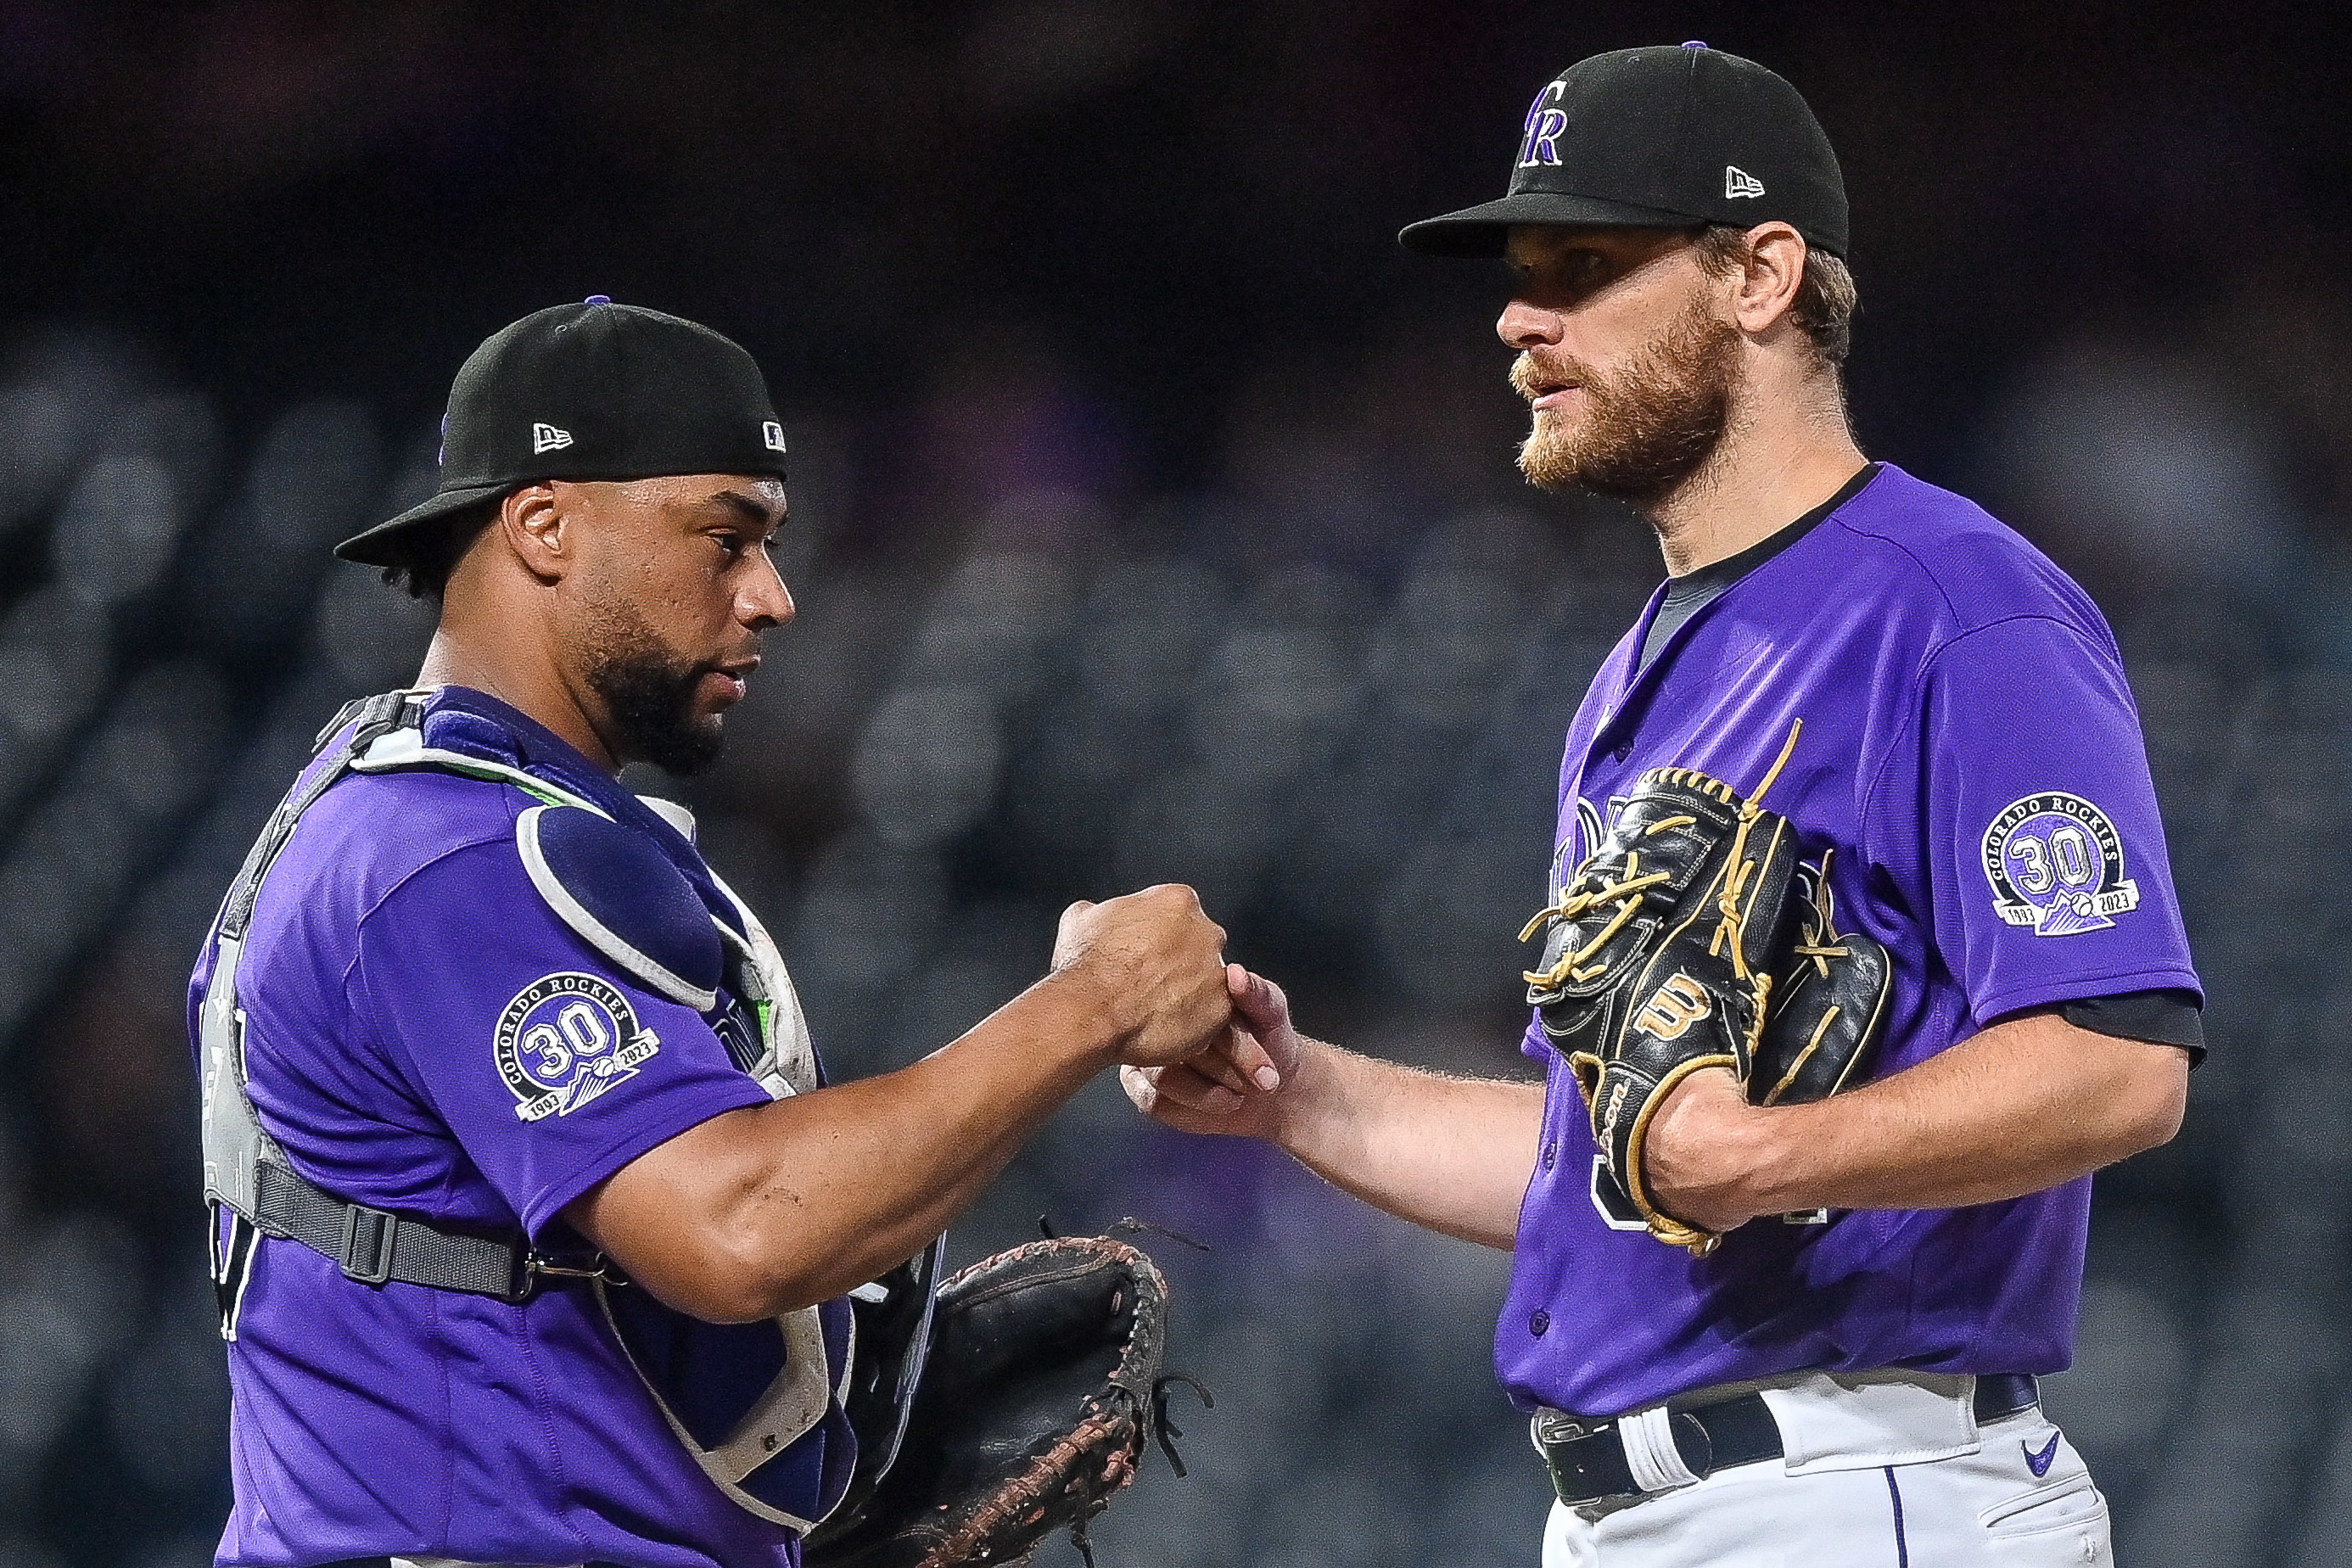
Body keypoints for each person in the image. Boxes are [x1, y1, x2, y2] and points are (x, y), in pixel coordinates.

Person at [1124, 43, 2199, 1568]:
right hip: (1654, 1508)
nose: (1517, 315)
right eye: (1521, 272)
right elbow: (1603, 1160)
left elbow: (2118, 1066)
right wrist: (1292, 1096)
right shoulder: (1644, 671)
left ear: (1759, 276)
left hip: (1858, 1481)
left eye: (1583, 264)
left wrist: (1757, 1155)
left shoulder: (1959, 605)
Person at [190, 299, 1263, 1568]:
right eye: (726, 535)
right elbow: (737, 1229)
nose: (773, 596)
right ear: (545, 522)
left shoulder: (433, 809)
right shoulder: (448, 860)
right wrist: (1094, 1004)